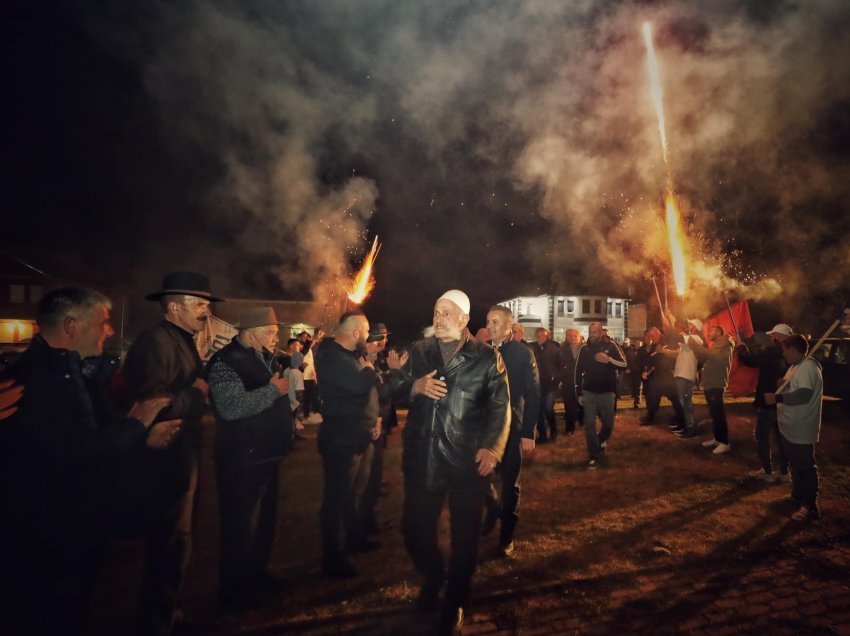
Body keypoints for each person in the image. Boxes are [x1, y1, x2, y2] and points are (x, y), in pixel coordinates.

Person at [0, 287, 180, 636]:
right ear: (71, 325)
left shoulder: (82, 374)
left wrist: (142, 438)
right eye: (103, 322)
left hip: (82, 532)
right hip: (44, 543)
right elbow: (71, 455)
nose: (110, 331)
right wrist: (136, 423)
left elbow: (102, 439)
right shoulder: (28, 382)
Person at [388, 289, 509, 635]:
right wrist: (414, 386)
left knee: (464, 539)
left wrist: (493, 448)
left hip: (465, 462)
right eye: (436, 311)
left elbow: (501, 406)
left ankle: (454, 598)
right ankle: (435, 574)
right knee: (414, 530)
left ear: (464, 319)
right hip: (423, 457)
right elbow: (392, 387)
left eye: (446, 312)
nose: (438, 318)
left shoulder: (486, 358)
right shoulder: (420, 351)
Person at [123, 271, 220, 635]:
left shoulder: (181, 339)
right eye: (200, 305)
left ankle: (168, 612)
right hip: (165, 457)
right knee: (169, 540)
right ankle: (156, 622)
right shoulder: (156, 343)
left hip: (182, 451)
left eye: (208, 306)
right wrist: (196, 394)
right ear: (174, 306)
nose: (206, 312)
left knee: (179, 540)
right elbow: (154, 404)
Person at [206, 307, 294, 608]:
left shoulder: (262, 357)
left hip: (265, 456)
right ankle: (234, 591)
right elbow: (231, 407)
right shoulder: (225, 362)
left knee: (263, 523)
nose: (275, 337)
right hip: (241, 459)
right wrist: (273, 391)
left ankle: (257, 574)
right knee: (240, 526)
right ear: (250, 332)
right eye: (269, 332)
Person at [313, 312, 381, 578]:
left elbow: (369, 392)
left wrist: (374, 417)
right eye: (365, 333)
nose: (367, 338)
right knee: (336, 498)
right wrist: (371, 371)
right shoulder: (331, 356)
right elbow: (357, 385)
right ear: (355, 333)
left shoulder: (351, 357)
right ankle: (332, 557)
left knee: (353, 494)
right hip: (341, 438)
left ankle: (354, 539)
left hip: (358, 435)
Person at [481, 306, 540, 557]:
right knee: (477, 476)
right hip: (482, 429)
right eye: (488, 321)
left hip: (511, 429)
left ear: (509, 325)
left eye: (496, 322)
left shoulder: (522, 353)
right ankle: (494, 506)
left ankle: (506, 538)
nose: (490, 326)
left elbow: (534, 393)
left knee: (509, 484)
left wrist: (528, 432)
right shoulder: (479, 353)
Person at [765, 334, 823, 521]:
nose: (783, 353)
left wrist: (779, 397)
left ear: (793, 349)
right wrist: (783, 387)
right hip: (790, 426)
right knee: (796, 464)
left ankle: (810, 505)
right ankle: (797, 496)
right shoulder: (795, 367)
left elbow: (804, 395)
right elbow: (794, 389)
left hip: (802, 426)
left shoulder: (808, 367)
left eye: (784, 349)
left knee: (805, 465)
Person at [737, 324, 792, 482]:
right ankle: (784, 472)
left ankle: (767, 472)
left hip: (768, 401)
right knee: (781, 438)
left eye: (773, 335)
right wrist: (747, 343)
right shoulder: (791, 354)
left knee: (762, 436)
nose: (771, 337)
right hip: (783, 401)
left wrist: (741, 349)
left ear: (778, 336)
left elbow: (752, 360)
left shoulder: (772, 351)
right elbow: (759, 355)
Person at [575, 322, 627, 469]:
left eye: (595, 332)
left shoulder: (611, 345)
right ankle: (594, 456)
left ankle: (599, 440)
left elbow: (624, 364)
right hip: (589, 392)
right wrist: (579, 392)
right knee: (589, 424)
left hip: (607, 392)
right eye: (590, 332)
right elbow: (578, 371)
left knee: (608, 424)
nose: (592, 335)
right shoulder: (584, 349)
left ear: (601, 332)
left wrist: (609, 360)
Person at [360, 322, 392, 536]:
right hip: (364, 426)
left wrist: (380, 417)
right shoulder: (361, 362)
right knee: (363, 481)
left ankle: (368, 519)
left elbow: (382, 392)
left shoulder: (377, 360)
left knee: (373, 478)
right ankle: (361, 523)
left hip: (377, 423)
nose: (383, 343)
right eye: (381, 339)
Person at [692, 325, 734, 455]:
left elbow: (713, 356)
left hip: (716, 383)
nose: (709, 333)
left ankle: (725, 443)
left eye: (712, 331)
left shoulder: (724, 343)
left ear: (719, 332)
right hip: (711, 383)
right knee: (715, 414)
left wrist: (695, 345)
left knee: (718, 414)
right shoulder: (718, 344)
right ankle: (718, 439)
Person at [639, 327, 685, 427]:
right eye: (650, 336)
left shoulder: (667, 342)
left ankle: (681, 418)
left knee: (675, 398)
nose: (651, 338)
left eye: (652, 335)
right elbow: (651, 361)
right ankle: (650, 417)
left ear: (658, 334)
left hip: (668, 376)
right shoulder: (653, 346)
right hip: (657, 377)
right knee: (653, 398)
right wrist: (646, 371)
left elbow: (676, 355)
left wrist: (664, 350)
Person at [668, 315, 704, 439]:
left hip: (686, 375)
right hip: (682, 375)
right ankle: (686, 426)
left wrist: (671, 321)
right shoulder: (689, 339)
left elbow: (678, 336)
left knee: (685, 403)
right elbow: (676, 352)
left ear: (695, 328)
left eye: (691, 324)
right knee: (684, 402)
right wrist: (662, 351)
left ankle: (690, 428)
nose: (688, 325)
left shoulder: (696, 339)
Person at [531, 327, 561, 443]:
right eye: (537, 336)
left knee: (548, 408)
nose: (539, 338)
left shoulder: (554, 348)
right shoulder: (533, 348)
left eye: (541, 335)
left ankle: (553, 429)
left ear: (546, 336)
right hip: (537, 384)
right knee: (538, 410)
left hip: (551, 384)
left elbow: (561, 364)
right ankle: (542, 434)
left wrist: (557, 377)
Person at [559, 328, 582, 435]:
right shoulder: (562, 349)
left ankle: (582, 422)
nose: (572, 338)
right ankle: (570, 427)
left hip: (582, 381)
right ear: (566, 337)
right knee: (569, 405)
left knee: (582, 404)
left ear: (579, 337)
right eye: (570, 336)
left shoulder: (584, 349)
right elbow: (559, 365)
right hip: (567, 381)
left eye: (575, 336)